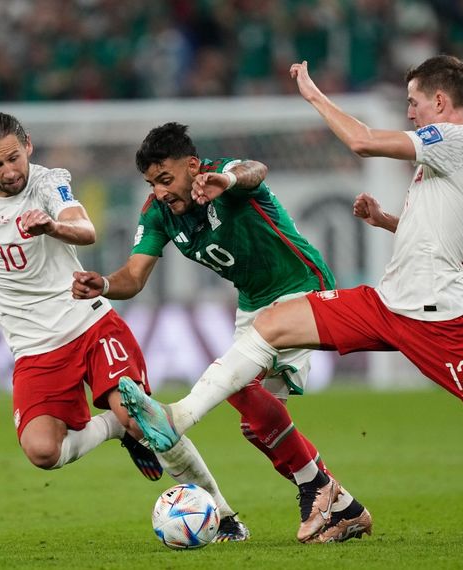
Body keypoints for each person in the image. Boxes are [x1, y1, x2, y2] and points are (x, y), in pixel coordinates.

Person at [118, 56, 463, 539]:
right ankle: (181, 415)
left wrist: (313, 95)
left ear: (438, 100)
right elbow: (437, 230)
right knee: (271, 324)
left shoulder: (457, 140)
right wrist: (386, 221)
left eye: (412, 102)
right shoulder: (443, 162)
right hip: (390, 304)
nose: (408, 113)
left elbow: (362, 142)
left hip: (437, 318)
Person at [0, 112, 249, 542]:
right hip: (33, 348)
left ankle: (225, 516)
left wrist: (52, 226)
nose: (9, 172)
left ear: (28, 145)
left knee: (144, 421)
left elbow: (85, 229)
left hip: (90, 325)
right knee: (44, 452)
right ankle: (114, 427)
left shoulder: (48, 181)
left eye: (13, 158)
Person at [71, 122, 372, 544]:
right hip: (253, 303)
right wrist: (102, 284)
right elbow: (135, 277)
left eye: (166, 179)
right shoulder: (157, 212)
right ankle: (344, 508)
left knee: (239, 385)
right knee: (256, 421)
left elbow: (255, 169)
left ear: (193, 166)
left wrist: (226, 179)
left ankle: (308, 482)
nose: (159, 191)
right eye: (151, 183)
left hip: (301, 286)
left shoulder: (222, 177)